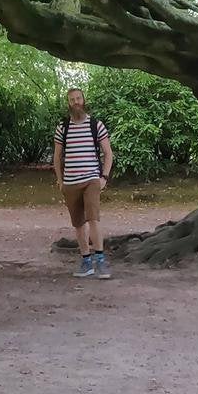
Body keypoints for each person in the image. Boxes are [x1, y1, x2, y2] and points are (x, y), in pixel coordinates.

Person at [53, 87, 113, 279]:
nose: (76, 102)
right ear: (69, 104)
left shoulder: (96, 125)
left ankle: (101, 261)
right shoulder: (63, 127)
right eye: (72, 100)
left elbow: (108, 153)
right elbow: (57, 156)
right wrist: (60, 181)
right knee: (78, 223)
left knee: (93, 219)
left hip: (92, 180)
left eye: (78, 98)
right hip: (70, 183)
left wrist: (104, 177)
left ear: (84, 100)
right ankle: (86, 261)